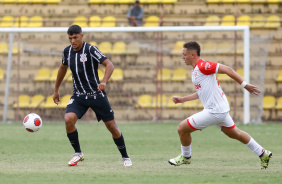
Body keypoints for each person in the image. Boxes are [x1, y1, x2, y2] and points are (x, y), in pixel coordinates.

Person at [168, 41, 272, 169]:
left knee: (182, 128)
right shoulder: (196, 71)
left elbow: (227, 69)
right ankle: (263, 153)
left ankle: (186, 157)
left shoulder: (203, 66)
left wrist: (245, 85)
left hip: (214, 111)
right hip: (220, 109)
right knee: (236, 134)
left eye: (184, 54)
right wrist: (182, 100)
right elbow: (201, 92)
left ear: (193, 55)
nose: (182, 57)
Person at [53, 25, 132, 167]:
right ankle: (78, 153)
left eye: (75, 37)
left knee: (112, 127)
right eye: (70, 38)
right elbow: (63, 68)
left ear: (82, 36)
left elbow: (109, 65)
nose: (72, 41)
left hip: (96, 95)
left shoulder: (90, 49)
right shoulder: (67, 51)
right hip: (79, 96)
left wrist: (104, 82)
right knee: (68, 119)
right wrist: (56, 89)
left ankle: (125, 157)